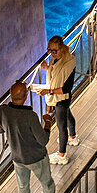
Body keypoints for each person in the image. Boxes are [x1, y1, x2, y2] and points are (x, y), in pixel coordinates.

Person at [0, 80, 56, 193]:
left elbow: (0, 129)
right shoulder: (30, 116)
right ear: (25, 97)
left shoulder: (2, 111)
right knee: (46, 183)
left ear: (11, 95)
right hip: (36, 157)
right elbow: (43, 140)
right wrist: (47, 123)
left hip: (17, 158)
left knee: (23, 186)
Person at [38, 36, 78, 165]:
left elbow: (67, 88)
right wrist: (46, 67)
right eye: (49, 50)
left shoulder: (69, 63)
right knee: (68, 116)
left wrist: (48, 91)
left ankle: (62, 156)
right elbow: (55, 73)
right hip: (60, 98)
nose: (51, 53)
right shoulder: (55, 59)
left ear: (61, 48)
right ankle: (73, 138)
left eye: (54, 51)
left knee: (61, 127)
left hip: (62, 98)